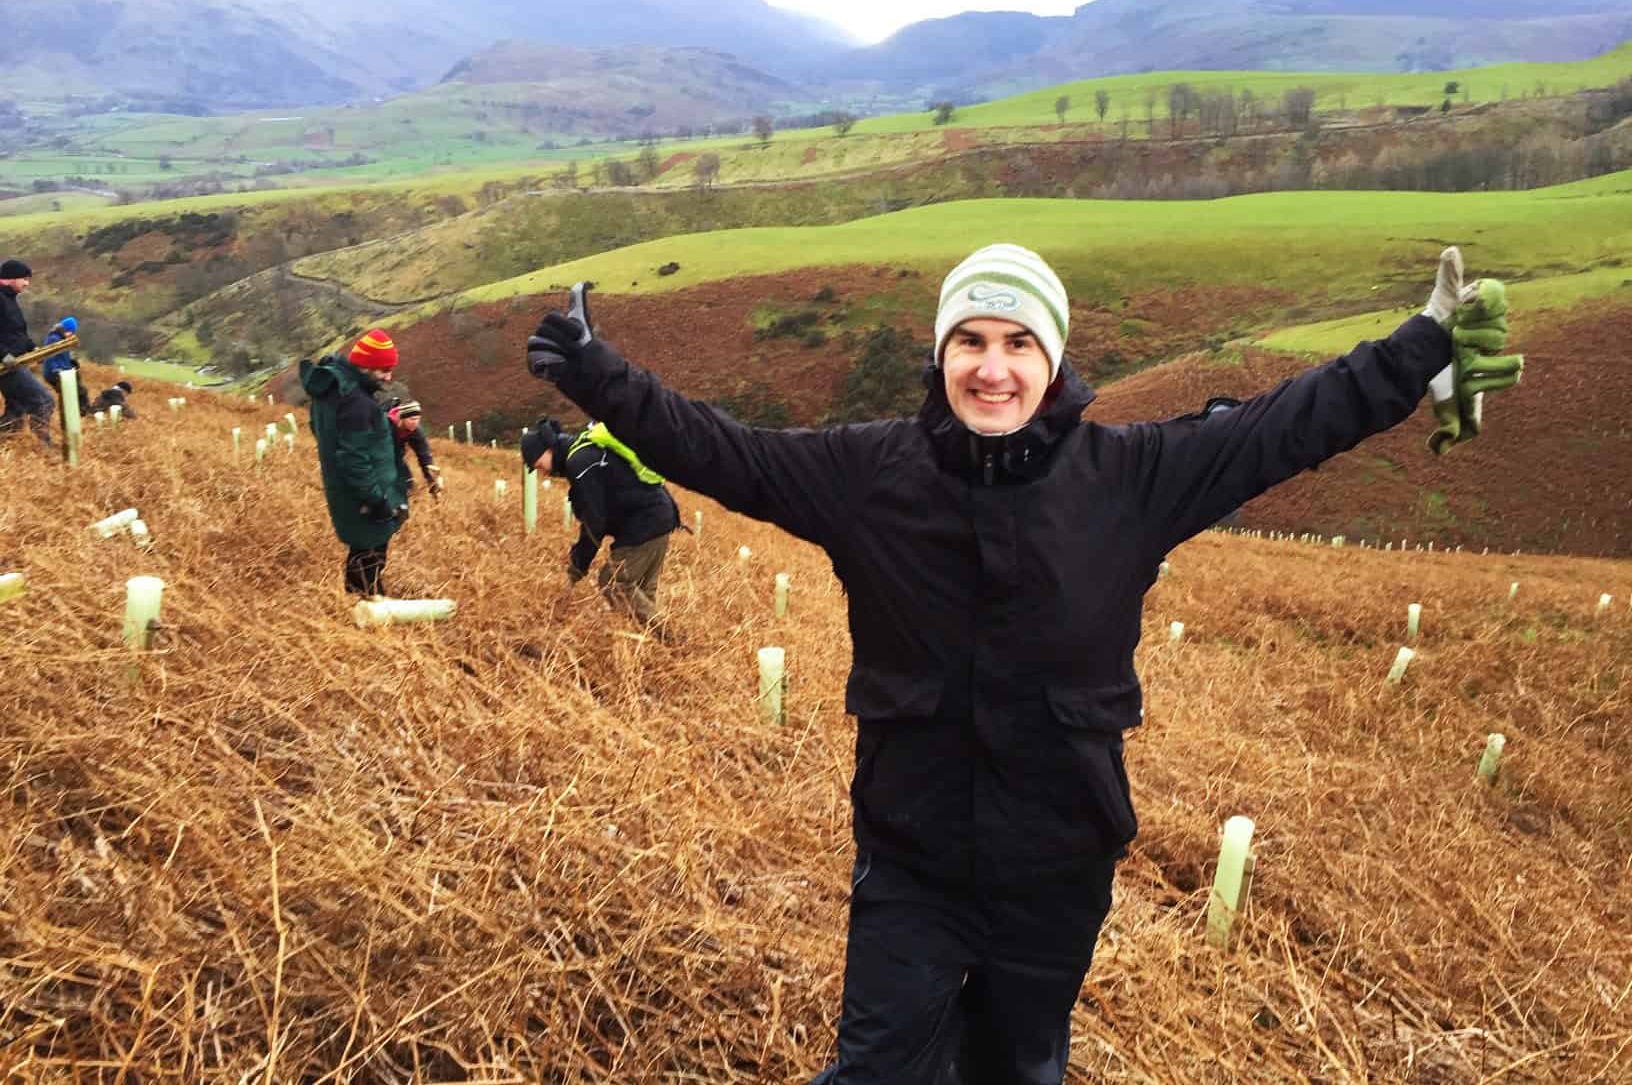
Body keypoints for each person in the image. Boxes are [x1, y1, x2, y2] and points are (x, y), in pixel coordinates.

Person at [523, 243, 1521, 1084]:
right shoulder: (867, 475)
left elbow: (1295, 422)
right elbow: (721, 450)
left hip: (1058, 867)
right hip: (910, 862)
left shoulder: (1133, 476)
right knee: (878, 1066)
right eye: (969, 342)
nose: (991, 368)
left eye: (1016, 344)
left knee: (1018, 1067)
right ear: (941, 354)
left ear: (1052, 360)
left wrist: (1421, 345)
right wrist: (592, 371)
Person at [520, 417, 680, 626]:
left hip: (645, 524)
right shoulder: (585, 449)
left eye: (539, 465)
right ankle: (661, 651)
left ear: (547, 451)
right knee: (641, 595)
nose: (544, 473)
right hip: (660, 515)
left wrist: (578, 566)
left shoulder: (578, 462)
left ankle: (676, 642)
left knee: (613, 583)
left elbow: (594, 522)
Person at [299, 328, 408, 597]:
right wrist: (376, 500)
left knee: (363, 552)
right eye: (383, 370)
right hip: (364, 497)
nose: (388, 377)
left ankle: (362, 596)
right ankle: (366, 603)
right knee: (369, 552)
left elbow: (320, 429)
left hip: (347, 490)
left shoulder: (332, 390)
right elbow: (353, 458)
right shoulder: (356, 403)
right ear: (365, 366)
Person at [0, 258, 55, 450]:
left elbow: (16, 334)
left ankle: (4, 446)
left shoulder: (9, 300)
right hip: (7, 366)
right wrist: (4, 356)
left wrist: (33, 348)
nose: (27, 283)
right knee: (44, 400)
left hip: (15, 363)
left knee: (16, 410)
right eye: (24, 278)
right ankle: (41, 447)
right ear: (10, 278)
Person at [385, 398, 443, 500]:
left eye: (418, 419)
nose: (415, 423)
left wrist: (432, 482)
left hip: (397, 456)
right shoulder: (386, 425)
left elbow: (424, 456)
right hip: (379, 457)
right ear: (402, 418)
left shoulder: (415, 431)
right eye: (412, 419)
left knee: (408, 484)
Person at [40, 316, 93, 418]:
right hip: (54, 373)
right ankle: (81, 415)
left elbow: (64, 357)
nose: (72, 335)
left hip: (63, 372)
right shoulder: (54, 339)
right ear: (65, 330)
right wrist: (56, 370)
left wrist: (72, 362)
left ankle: (80, 414)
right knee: (73, 393)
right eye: (71, 332)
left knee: (77, 391)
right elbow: (51, 356)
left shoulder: (62, 340)